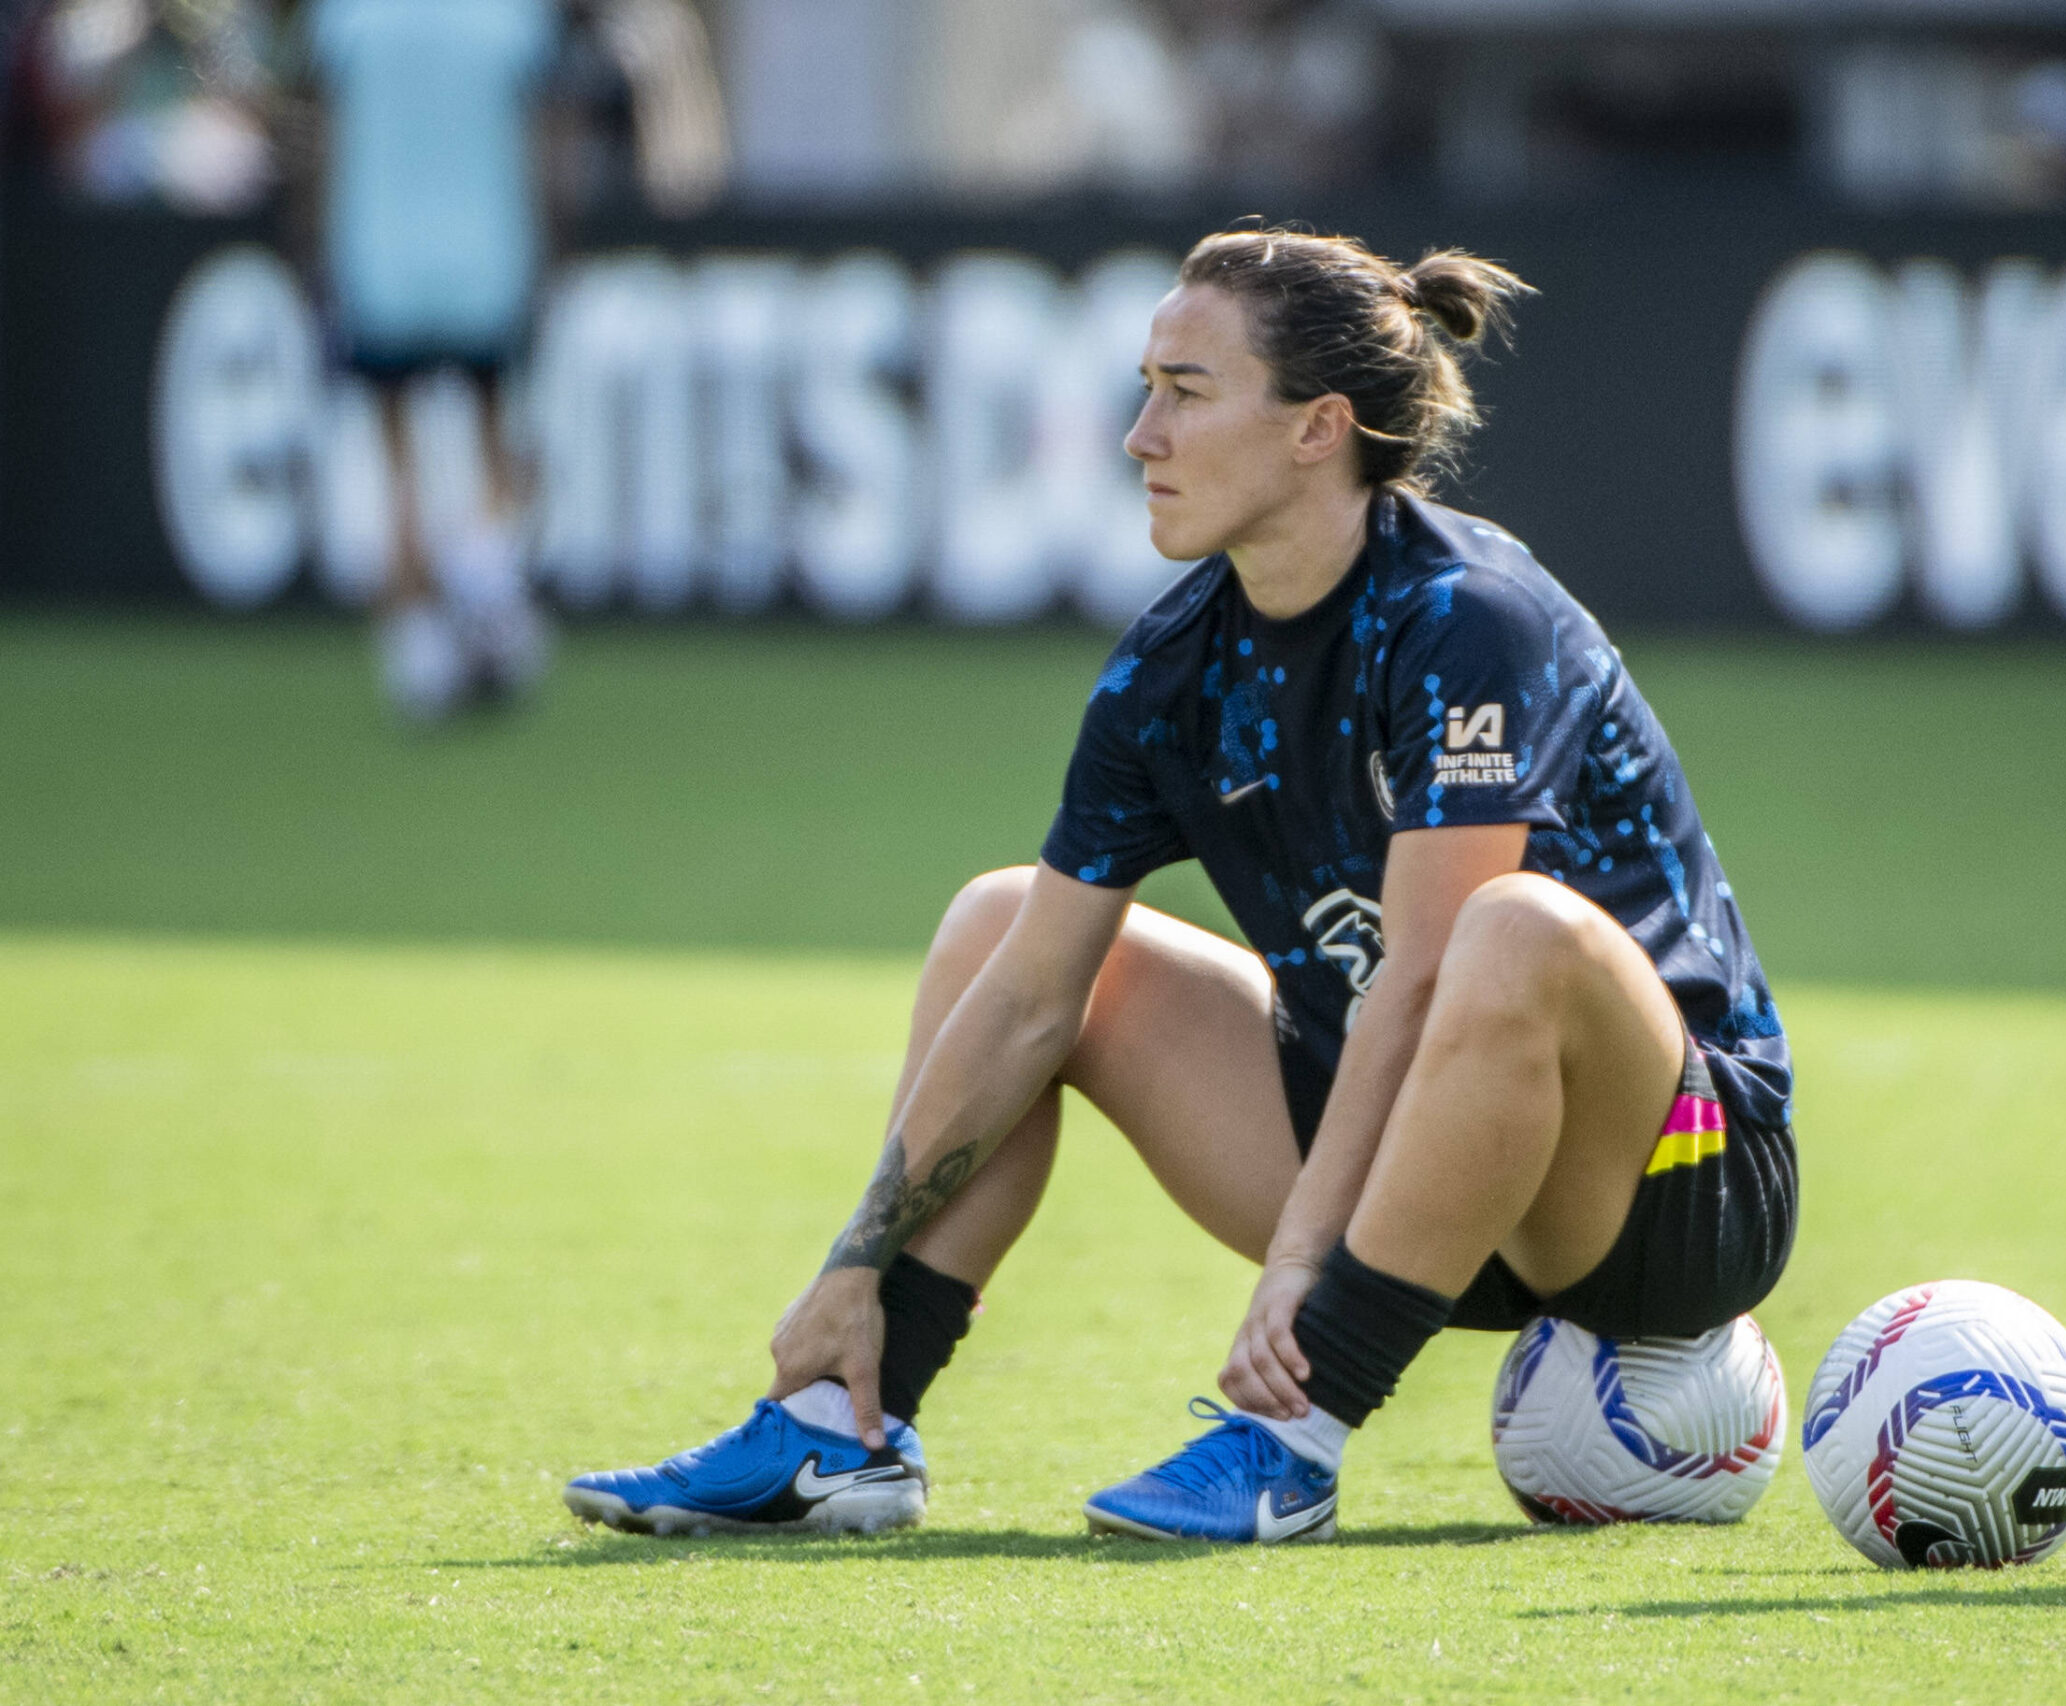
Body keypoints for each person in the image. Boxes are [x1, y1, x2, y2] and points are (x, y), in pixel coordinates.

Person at [561, 228, 1798, 1543]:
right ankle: (838, 1430)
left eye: (1187, 392)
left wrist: (1304, 1263)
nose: (1141, 434)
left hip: (1669, 1185)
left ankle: (1290, 1438)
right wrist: (852, 1261)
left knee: (1512, 931)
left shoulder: (1469, 616)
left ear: (1320, 428)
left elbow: (1429, 975)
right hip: (1403, 1168)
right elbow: (1035, 994)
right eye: (1147, 387)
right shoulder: (1169, 671)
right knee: (1002, 925)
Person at [306, 0, 558, 722]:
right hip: (488, 254)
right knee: (490, 438)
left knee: (396, 459)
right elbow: (542, 133)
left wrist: (313, 245)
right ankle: (483, 584)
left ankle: (422, 654)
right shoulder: (511, 15)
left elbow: (322, 135)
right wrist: (554, 245)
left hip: (379, 256)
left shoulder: (350, 16)